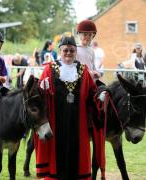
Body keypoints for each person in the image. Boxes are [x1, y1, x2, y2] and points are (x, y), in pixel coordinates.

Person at [34, 34, 106, 180]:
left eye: (72, 50)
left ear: (75, 52)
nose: (68, 53)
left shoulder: (83, 70)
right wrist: (42, 88)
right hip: (56, 122)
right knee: (56, 153)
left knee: (78, 154)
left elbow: (92, 92)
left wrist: (100, 95)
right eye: (65, 50)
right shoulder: (49, 69)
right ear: (60, 51)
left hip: (77, 123)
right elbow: (39, 95)